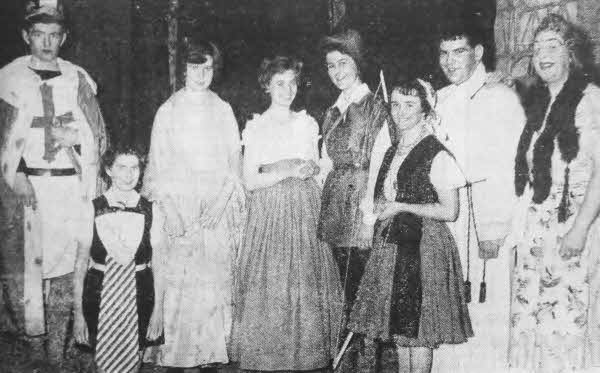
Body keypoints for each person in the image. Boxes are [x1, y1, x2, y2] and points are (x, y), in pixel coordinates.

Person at [0, 0, 107, 369]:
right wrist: (14, 174)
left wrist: (76, 136)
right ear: (26, 35)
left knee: (64, 272)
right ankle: (33, 355)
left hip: (68, 191)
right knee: (27, 274)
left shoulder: (78, 79)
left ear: (64, 38)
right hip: (26, 192)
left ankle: (57, 354)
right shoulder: (8, 80)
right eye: (39, 35)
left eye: (54, 36)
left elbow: (99, 134)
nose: (47, 43)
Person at [351, 79, 473, 373]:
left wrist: (403, 206)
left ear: (425, 110)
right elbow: (386, 196)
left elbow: (450, 210)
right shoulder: (393, 150)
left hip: (424, 248)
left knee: (417, 333)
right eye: (395, 104)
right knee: (403, 334)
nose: (400, 112)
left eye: (410, 105)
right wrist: (376, 213)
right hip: (394, 245)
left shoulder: (436, 152)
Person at [232, 56, 343, 372]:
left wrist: (311, 168)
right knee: (273, 282)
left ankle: (304, 358)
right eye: (279, 82)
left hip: (306, 210)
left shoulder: (307, 123)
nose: (287, 89)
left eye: (292, 82)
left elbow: (317, 166)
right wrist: (284, 169)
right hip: (271, 213)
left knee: (305, 282)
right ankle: (271, 359)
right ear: (267, 85)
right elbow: (251, 179)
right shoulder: (256, 126)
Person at [141, 38, 245, 372]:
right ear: (183, 69)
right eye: (194, 67)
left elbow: (234, 161)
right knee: (181, 285)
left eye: (208, 68)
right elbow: (156, 166)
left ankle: (210, 356)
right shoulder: (169, 110)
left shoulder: (223, 109)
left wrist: (222, 201)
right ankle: (180, 358)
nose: (201, 75)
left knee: (213, 284)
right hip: (180, 209)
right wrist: (170, 209)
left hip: (215, 209)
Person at [428, 22, 526, 373]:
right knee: (449, 311)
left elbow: (512, 168)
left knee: (486, 314)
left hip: (486, 223)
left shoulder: (501, 97)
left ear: (478, 53)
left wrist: (495, 225)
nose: (449, 61)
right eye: (444, 53)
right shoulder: (438, 99)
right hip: (448, 221)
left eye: (459, 52)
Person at [508, 14, 600, 373]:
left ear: (570, 54)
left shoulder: (591, 100)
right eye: (537, 47)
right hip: (538, 228)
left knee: (565, 320)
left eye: (553, 45)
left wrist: (579, 229)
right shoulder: (540, 105)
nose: (543, 54)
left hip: (574, 225)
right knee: (532, 319)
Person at [317, 28, 393, 371]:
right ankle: (350, 361)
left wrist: (368, 219)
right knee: (348, 294)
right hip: (336, 210)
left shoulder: (377, 107)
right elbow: (326, 163)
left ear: (358, 63)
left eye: (343, 62)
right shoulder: (332, 110)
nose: (337, 71)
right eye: (331, 65)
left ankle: (370, 364)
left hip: (362, 209)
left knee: (368, 294)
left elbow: (381, 165)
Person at [72, 146, 165, 373]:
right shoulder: (92, 208)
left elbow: (160, 266)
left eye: (134, 168)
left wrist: (158, 311)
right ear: (108, 170)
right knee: (103, 363)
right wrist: (78, 314)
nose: (128, 174)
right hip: (99, 294)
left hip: (139, 294)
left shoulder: (152, 209)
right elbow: (80, 264)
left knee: (133, 361)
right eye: (121, 167)